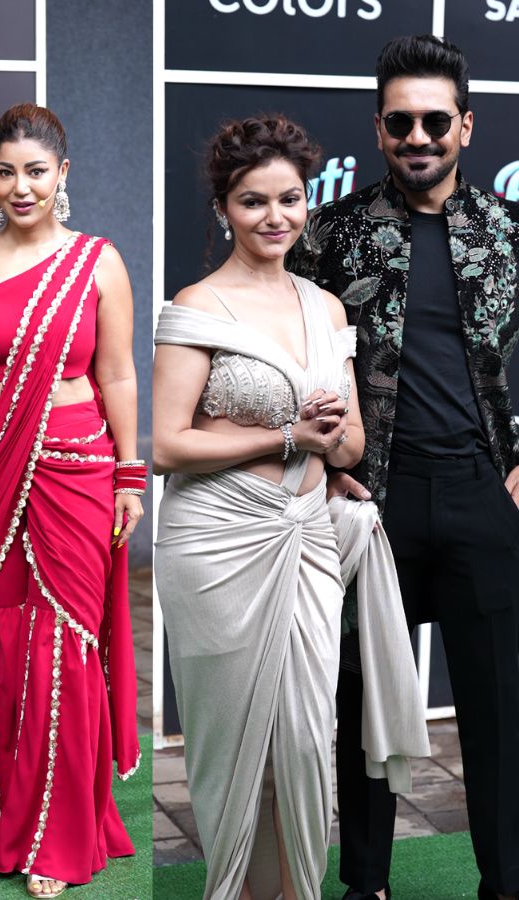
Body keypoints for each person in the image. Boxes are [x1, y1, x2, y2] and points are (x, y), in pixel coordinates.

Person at [292, 34, 519, 900]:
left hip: (482, 494)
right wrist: (320, 463)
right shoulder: (332, 233)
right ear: (379, 127)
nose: (417, 136)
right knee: (362, 708)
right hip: (369, 502)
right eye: (400, 122)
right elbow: (284, 353)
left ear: (466, 125)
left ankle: (505, 882)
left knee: (499, 708)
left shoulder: (507, 233)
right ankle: (367, 885)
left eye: (434, 120)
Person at [153, 115, 365, 899]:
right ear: (224, 210)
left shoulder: (327, 308)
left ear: (308, 200)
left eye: (290, 199)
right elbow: (167, 445)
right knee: (233, 744)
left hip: (305, 539)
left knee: (306, 739)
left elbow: (350, 446)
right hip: (216, 543)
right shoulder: (199, 304)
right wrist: (286, 435)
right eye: (253, 201)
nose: (275, 217)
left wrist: (331, 437)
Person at [0, 103, 142, 899]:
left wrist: (131, 473)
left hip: (75, 467)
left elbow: (117, 373)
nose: (20, 187)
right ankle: (1, 817)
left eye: (35, 171)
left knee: (63, 636)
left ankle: (56, 839)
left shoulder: (98, 262)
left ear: (62, 173)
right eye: (5, 172)